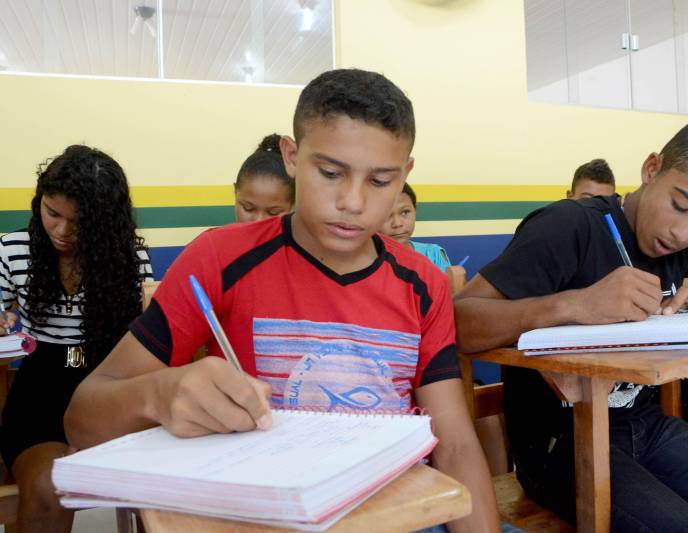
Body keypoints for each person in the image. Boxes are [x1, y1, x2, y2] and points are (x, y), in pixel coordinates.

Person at [65, 69, 502, 533]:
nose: (352, 202)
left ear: (406, 175)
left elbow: (453, 442)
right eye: (331, 173)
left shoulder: (424, 283)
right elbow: (83, 420)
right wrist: (160, 393)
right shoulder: (219, 259)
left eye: (379, 181)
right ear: (292, 156)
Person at [454, 111, 688, 532]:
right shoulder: (568, 227)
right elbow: (461, 319)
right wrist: (573, 305)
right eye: (679, 206)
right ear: (651, 169)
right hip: (562, 443)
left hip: (647, 429)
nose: (683, 233)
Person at [0, 145, 152, 533]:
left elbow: (145, 340)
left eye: (79, 221)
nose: (63, 231)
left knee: (161, 486)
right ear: (39, 202)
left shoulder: (131, 258)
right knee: (48, 489)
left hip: (110, 384)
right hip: (41, 389)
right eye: (52, 213)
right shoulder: (12, 249)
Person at [381, 182, 452, 272]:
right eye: (386, 215)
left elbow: (449, 285)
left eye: (405, 212)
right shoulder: (363, 262)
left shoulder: (433, 254)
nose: (397, 223)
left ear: (415, 210)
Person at [234, 134, 294, 223]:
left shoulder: (307, 236)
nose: (259, 221)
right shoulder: (212, 237)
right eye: (248, 208)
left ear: (292, 206)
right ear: (235, 192)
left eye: (273, 213)